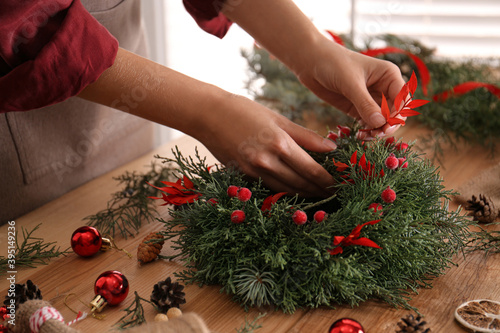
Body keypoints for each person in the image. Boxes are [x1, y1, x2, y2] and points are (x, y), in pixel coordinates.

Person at [0, 0, 405, 223]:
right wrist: (211, 111)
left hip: (131, 110)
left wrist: (311, 50)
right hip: (26, 154)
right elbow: (24, 20)